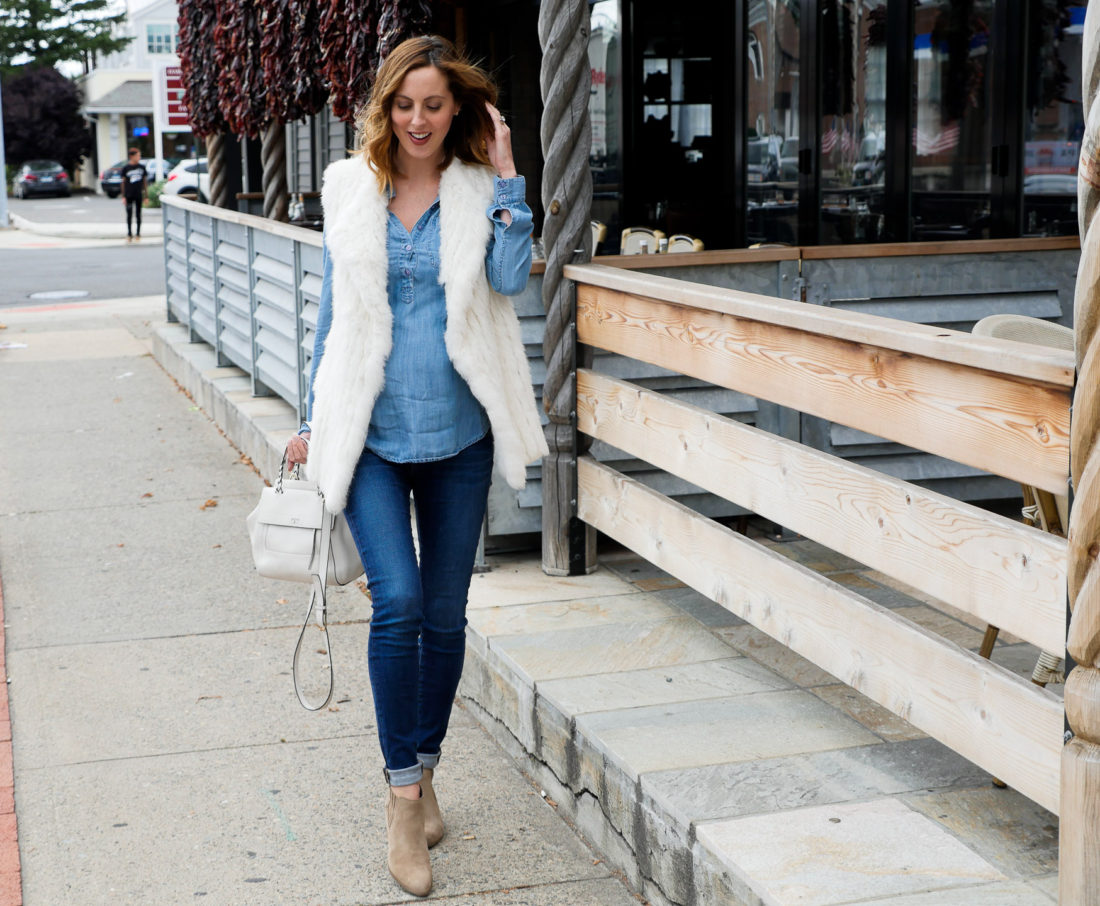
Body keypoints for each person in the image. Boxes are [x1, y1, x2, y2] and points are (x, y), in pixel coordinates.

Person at [285, 35, 547, 897]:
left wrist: (508, 175)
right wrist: (311, 422)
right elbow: (335, 319)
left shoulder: (477, 190)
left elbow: (510, 277)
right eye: (406, 104)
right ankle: (404, 799)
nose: (419, 119)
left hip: (460, 438)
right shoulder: (351, 191)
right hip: (369, 434)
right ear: (386, 107)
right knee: (396, 604)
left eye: (435, 104)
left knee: (445, 615)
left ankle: (426, 765)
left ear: (457, 108)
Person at [120, 148, 147, 242]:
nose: (139, 157)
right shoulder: (126, 168)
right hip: (129, 194)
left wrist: (146, 196)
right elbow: (123, 182)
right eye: (137, 155)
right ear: (132, 156)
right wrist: (123, 196)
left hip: (138, 193)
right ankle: (129, 234)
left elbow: (144, 182)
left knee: (138, 214)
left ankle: (138, 234)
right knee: (129, 214)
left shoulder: (142, 167)